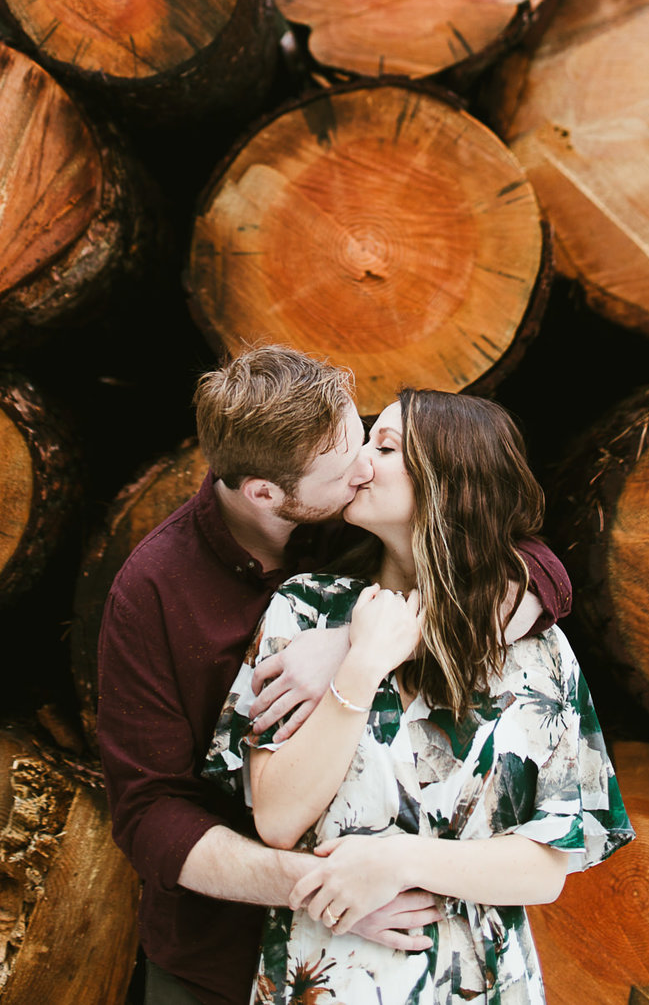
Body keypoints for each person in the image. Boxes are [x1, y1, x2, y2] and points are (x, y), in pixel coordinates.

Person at [97, 346, 576, 1005]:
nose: (365, 466)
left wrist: (357, 633)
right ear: (267, 493)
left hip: (414, 963)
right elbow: (151, 815)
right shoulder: (154, 590)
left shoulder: (352, 522)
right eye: (347, 460)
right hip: (220, 958)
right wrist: (330, 890)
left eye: (368, 436)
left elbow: (536, 572)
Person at [207, 389, 631, 1005]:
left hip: (482, 981)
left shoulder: (535, 647)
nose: (359, 462)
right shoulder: (304, 611)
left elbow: (547, 866)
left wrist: (399, 861)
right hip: (331, 976)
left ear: (451, 483)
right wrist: (359, 664)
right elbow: (276, 819)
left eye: (384, 446)